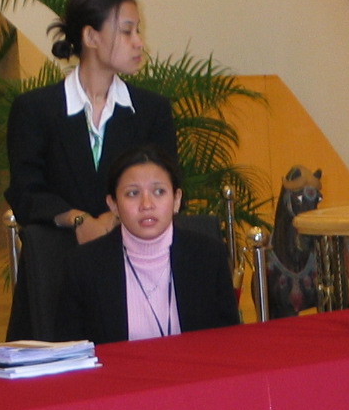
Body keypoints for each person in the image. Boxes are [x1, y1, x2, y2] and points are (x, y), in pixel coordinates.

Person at [4, 0, 178, 339]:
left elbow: (167, 184)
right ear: (90, 36)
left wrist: (113, 217)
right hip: (56, 272)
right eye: (127, 31)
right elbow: (25, 191)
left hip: (133, 273)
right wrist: (78, 220)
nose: (139, 42)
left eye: (138, 30)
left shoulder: (152, 111)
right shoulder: (35, 109)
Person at [61, 146, 239, 344]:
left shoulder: (208, 256)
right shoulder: (83, 266)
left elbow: (228, 341)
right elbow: (71, 351)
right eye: (132, 193)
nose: (146, 205)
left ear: (177, 200)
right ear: (113, 205)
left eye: (159, 191)